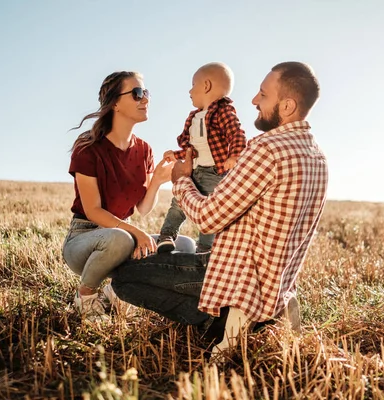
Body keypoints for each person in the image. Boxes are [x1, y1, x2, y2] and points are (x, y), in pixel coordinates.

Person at [110, 62, 329, 358]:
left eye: (263, 95)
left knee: (124, 279)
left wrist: (181, 179)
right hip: (275, 284)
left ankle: (221, 318)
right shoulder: (317, 156)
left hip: (238, 280)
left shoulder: (268, 149)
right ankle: (236, 318)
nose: (253, 101)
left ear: (287, 105)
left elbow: (208, 217)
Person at [63, 71, 185, 322]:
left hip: (123, 238)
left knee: (183, 245)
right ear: (115, 103)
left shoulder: (144, 150)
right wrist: (137, 234)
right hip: (84, 240)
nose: (146, 99)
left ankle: (114, 292)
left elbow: (142, 208)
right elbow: (93, 210)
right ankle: (85, 298)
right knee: (120, 238)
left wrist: (158, 182)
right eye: (137, 93)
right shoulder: (87, 147)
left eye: (146, 93)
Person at [157, 62, 246, 253]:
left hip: (215, 173)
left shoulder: (223, 112)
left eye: (193, 85)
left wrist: (235, 155)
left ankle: (205, 248)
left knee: (211, 212)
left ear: (206, 86)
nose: (190, 91)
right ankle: (167, 236)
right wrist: (176, 154)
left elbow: (236, 134)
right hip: (194, 170)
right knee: (178, 203)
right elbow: (194, 149)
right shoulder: (195, 117)